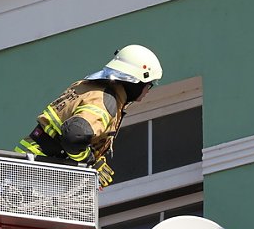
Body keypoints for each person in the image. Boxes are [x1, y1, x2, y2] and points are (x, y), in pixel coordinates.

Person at [14, 45, 163, 187]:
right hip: (37, 173)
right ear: (135, 83)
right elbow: (74, 136)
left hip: (26, 164)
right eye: (148, 85)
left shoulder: (88, 87)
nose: (147, 91)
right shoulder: (106, 102)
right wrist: (90, 162)